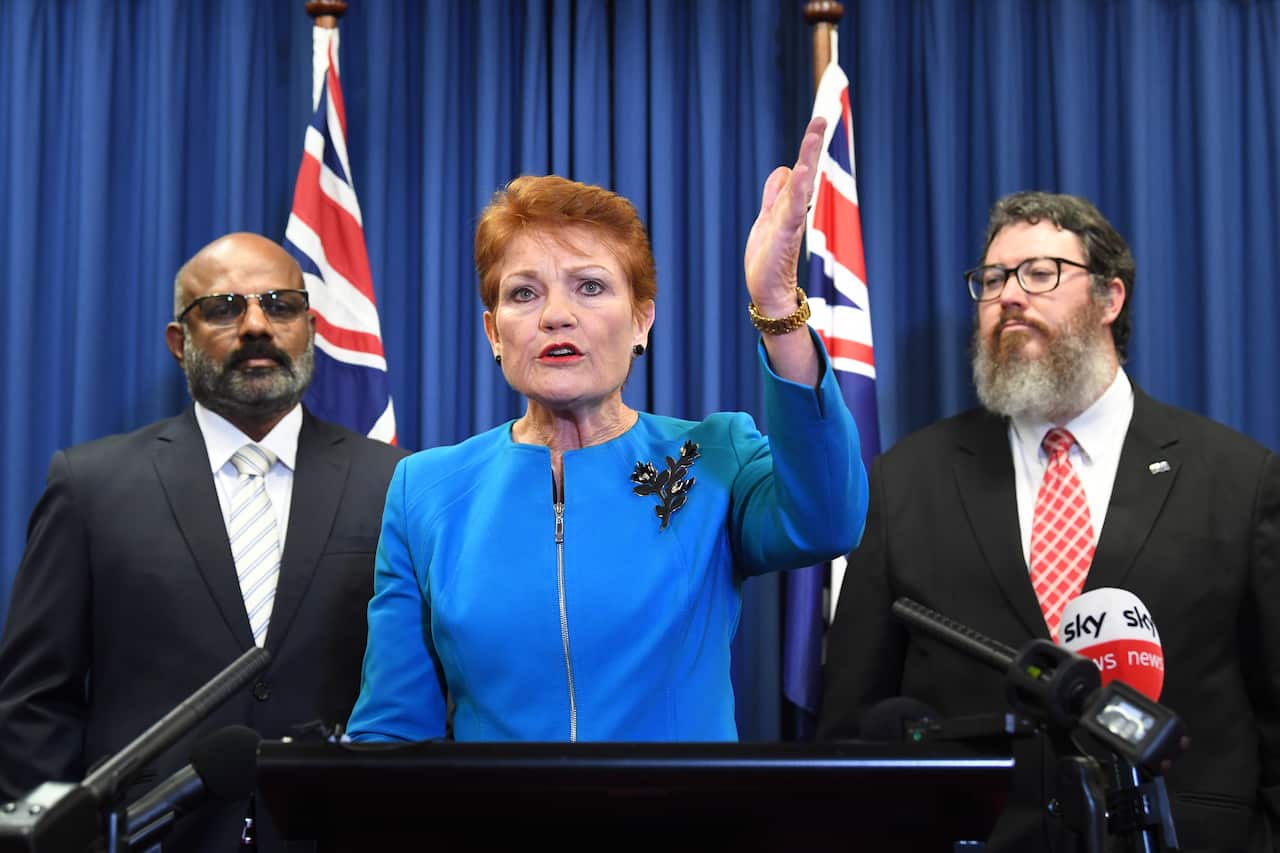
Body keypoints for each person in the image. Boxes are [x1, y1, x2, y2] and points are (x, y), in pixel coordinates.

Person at [345, 117, 868, 743]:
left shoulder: (715, 455)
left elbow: (830, 520)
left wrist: (778, 305)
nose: (556, 315)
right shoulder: (423, 490)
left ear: (641, 321)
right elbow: (390, 732)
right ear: (493, 333)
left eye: (590, 287)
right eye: (523, 294)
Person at [818, 192, 1280, 850]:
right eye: (993, 279)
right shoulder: (904, 484)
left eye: (1040, 273)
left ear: (1109, 298)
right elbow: (851, 732)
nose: (1009, 295)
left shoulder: (1240, 480)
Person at [0, 233, 409, 849]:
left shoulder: (394, 482)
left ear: (311, 327)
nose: (255, 326)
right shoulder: (90, 486)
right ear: (178, 342)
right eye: (222, 308)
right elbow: (35, 702)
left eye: (280, 305)